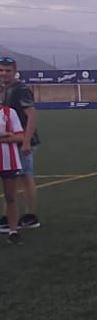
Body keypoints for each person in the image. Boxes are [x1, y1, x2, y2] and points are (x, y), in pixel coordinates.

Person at [0, 56, 40, 231]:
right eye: (1, 70)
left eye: (8, 70)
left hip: (22, 140)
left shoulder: (20, 89)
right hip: (9, 140)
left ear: (15, 71)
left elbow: (31, 115)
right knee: (9, 179)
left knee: (25, 176)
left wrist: (26, 141)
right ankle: (9, 217)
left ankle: (30, 215)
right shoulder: (3, 89)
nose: (4, 74)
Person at [0, 105, 24, 244]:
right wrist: (5, 134)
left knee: (10, 197)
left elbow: (20, 136)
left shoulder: (9, 112)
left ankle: (13, 231)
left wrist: (4, 138)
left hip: (9, 160)